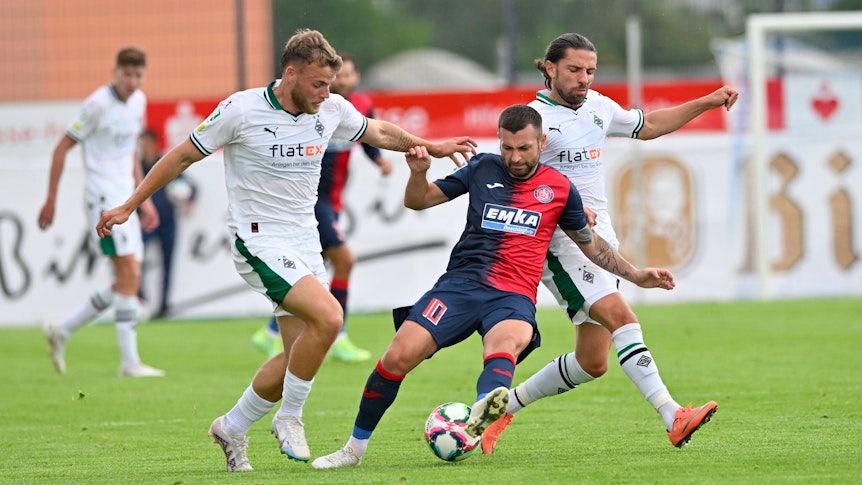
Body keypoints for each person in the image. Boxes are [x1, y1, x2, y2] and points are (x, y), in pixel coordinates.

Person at [95, 29, 477, 472]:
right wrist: (129, 204)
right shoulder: (241, 109)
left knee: (299, 357)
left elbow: (378, 132)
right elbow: (181, 156)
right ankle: (290, 417)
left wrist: (432, 145)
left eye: (329, 85)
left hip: (304, 243)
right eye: (318, 84)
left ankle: (231, 427)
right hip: (257, 240)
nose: (326, 93)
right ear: (290, 73)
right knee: (330, 317)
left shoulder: (330, 108)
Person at [311, 104, 676, 469]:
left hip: (513, 295)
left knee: (504, 345)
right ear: (499, 141)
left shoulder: (560, 189)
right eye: (507, 147)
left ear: (541, 142)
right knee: (396, 358)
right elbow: (418, 201)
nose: (514, 158)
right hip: (460, 286)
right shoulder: (482, 167)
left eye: (524, 148)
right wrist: (418, 174)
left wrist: (635, 275)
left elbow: (591, 245)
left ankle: (484, 412)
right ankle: (354, 449)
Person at [480, 33, 740, 455]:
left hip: (601, 240)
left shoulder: (598, 107)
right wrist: (564, 207)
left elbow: (648, 126)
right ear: (550, 68)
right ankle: (672, 414)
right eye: (574, 70)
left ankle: (500, 408)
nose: (584, 78)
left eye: (590, 71)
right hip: (560, 244)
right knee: (622, 317)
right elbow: (515, 182)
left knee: (592, 362)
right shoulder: (533, 120)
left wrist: (706, 102)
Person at [251, 53, 392, 362]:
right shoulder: (314, 109)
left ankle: (271, 332)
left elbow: (368, 138)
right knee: (344, 261)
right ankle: (338, 336)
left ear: (356, 77)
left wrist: (379, 160)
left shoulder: (358, 107)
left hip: (334, 201)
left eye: (348, 75)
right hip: (313, 202)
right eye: (338, 76)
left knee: (315, 272)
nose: (343, 81)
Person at [38, 47, 165, 378]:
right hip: (102, 200)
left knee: (127, 278)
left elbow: (131, 153)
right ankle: (129, 362)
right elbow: (61, 148)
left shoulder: (138, 102)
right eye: (127, 74)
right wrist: (51, 199)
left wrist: (144, 200)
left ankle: (63, 329)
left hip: (126, 201)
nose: (132, 81)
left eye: (138, 75)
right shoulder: (96, 104)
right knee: (129, 276)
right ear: (116, 72)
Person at [138, 128, 197, 319]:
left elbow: (192, 187)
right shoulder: (138, 167)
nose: (144, 147)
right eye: (142, 144)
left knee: (167, 265)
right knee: (136, 261)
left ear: (155, 144)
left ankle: (164, 306)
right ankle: (141, 300)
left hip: (167, 222)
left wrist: (189, 201)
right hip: (146, 223)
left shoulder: (164, 163)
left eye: (147, 143)